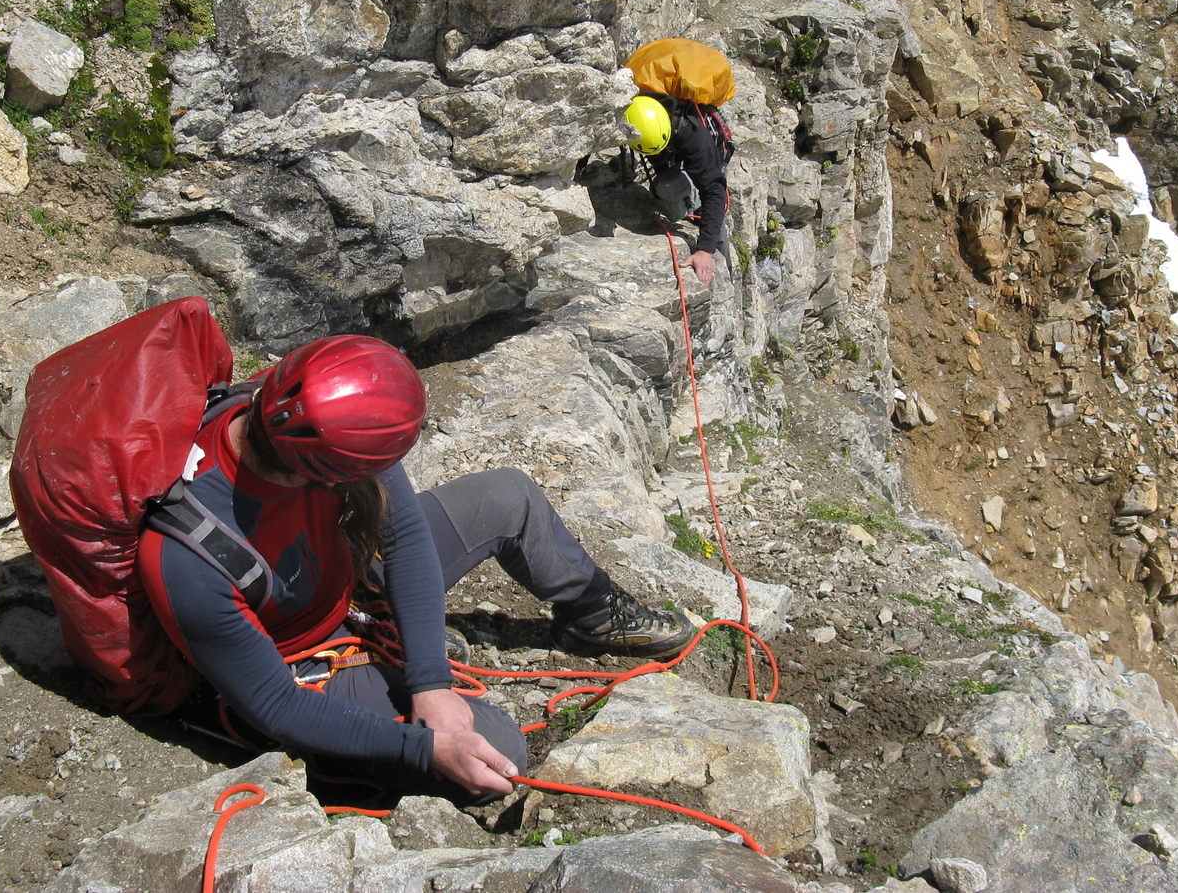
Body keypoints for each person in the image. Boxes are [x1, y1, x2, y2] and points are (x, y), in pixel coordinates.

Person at [138, 335, 693, 803]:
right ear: (330, 474)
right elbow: (274, 705)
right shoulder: (188, 558)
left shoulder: (309, 418)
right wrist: (424, 747)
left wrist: (429, 679)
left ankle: (593, 613)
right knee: (498, 754)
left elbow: (402, 536)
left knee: (509, 497)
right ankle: (348, 765)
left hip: (341, 574)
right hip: (296, 661)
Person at [625, 92, 732, 287]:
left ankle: (727, 278)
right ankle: (690, 203)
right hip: (675, 153)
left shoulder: (694, 134)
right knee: (665, 191)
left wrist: (705, 250)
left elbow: (714, 190)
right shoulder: (633, 115)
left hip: (707, 157)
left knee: (674, 192)